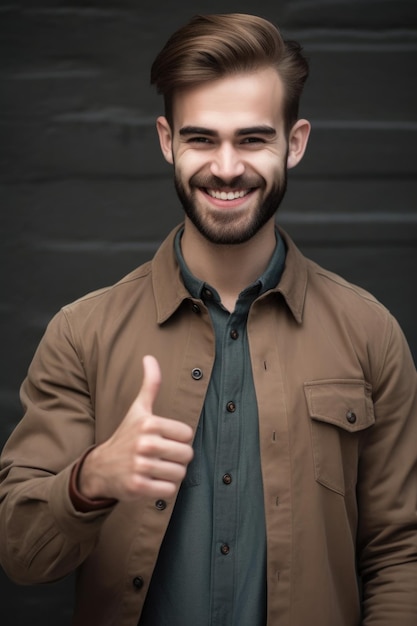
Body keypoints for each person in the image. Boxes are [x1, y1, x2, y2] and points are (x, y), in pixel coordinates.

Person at [0, 12, 416, 626]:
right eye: (201, 139)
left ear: (294, 143)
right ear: (167, 140)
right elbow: (21, 556)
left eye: (252, 139)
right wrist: (90, 481)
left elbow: (402, 551)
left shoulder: (369, 332)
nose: (225, 168)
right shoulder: (80, 333)